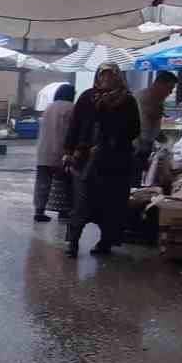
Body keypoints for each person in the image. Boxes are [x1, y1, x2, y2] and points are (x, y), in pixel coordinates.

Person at [64, 62, 141, 257]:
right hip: (85, 160)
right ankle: (72, 242)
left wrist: (111, 142)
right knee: (81, 204)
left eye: (110, 75)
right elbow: (75, 125)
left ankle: (105, 243)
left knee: (111, 205)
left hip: (114, 163)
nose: (105, 79)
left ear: (117, 77)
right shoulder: (87, 98)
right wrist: (68, 150)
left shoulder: (127, 101)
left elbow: (134, 130)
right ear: (97, 77)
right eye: (102, 75)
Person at [33, 84, 76, 222]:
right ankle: (63, 211)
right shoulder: (71, 108)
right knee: (64, 181)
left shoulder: (49, 107)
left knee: (42, 182)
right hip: (61, 151)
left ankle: (39, 211)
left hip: (44, 151)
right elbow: (71, 131)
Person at [135, 71, 177, 171]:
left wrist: (166, 142)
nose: (170, 92)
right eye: (169, 88)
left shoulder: (158, 101)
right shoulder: (141, 98)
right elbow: (140, 127)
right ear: (158, 84)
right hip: (135, 150)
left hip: (146, 149)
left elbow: (154, 127)